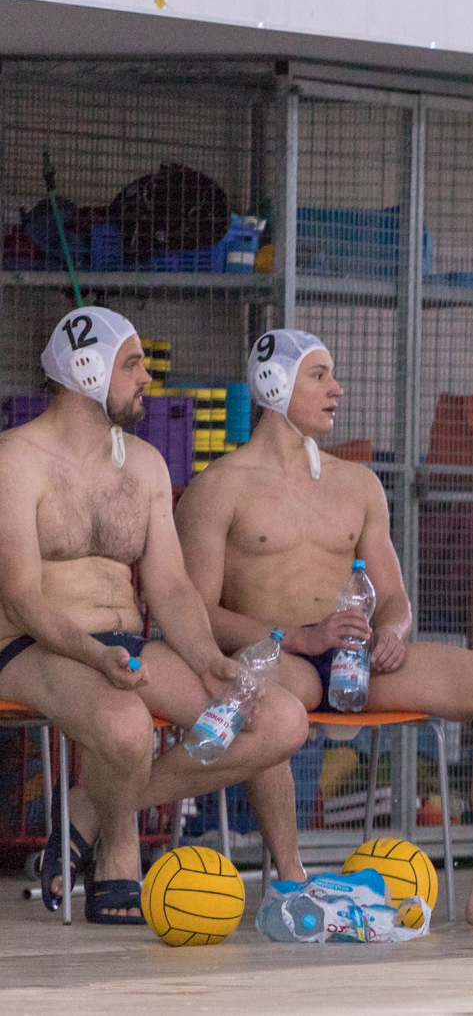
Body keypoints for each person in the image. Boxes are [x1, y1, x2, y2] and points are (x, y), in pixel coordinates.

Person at [174, 329, 473, 927]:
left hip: (355, 657)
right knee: (278, 705)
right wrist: (298, 635)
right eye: (319, 375)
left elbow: (395, 595)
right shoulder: (218, 487)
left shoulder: (358, 483)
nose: (338, 389)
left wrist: (392, 629)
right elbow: (198, 613)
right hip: (280, 655)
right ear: (274, 385)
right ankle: (291, 878)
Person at [0, 307, 309, 924]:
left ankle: (90, 810)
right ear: (86, 370)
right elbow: (20, 597)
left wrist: (208, 660)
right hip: (31, 646)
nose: (148, 378)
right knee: (126, 728)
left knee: (276, 720)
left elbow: (168, 587)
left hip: (124, 645)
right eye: (133, 364)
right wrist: (94, 655)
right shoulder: (15, 460)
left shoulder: (143, 464)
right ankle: (120, 847)